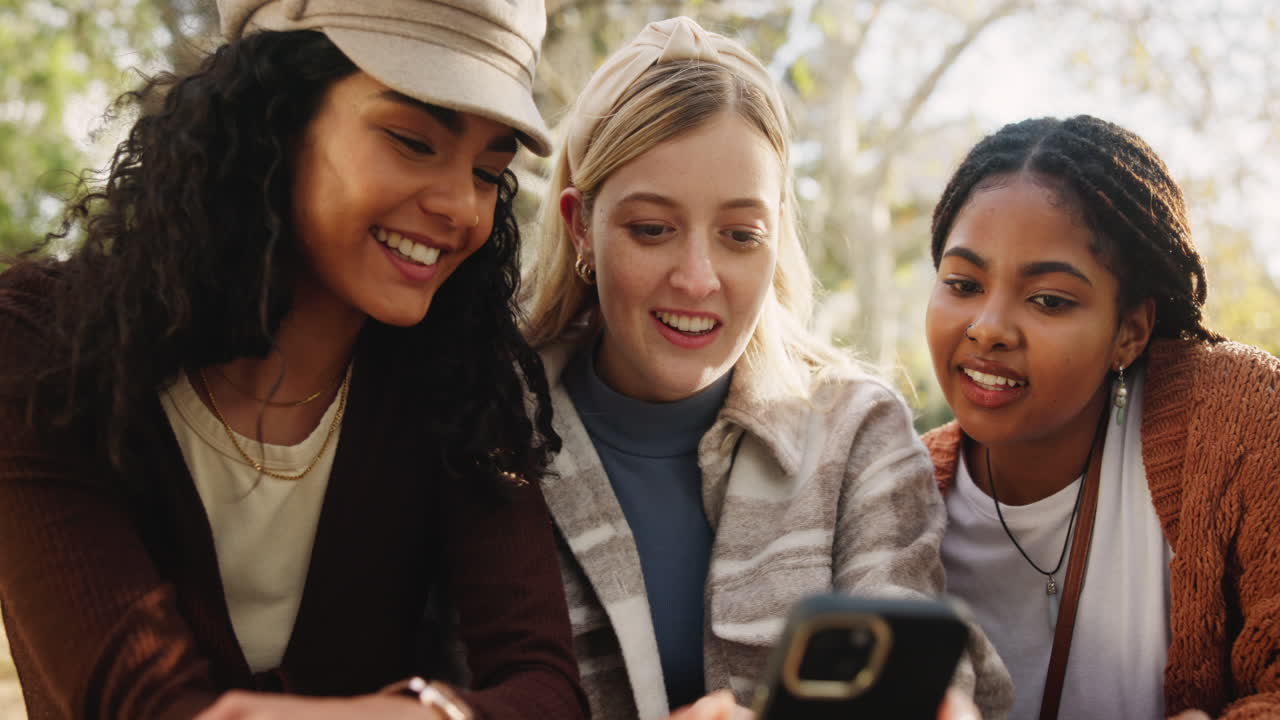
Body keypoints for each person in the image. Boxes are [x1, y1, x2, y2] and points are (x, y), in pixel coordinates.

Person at [0, 2, 589, 719]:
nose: (464, 208)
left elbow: (546, 688)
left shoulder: (461, 384)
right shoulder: (38, 346)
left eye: (491, 172)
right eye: (413, 141)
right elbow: (141, 703)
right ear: (273, 117)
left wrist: (426, 715)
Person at [523, 16, 1012, 720]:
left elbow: (913, 677)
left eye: (739, 236)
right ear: (580, 227)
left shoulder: (855, 432)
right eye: (652, 229)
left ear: (776, 237)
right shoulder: (490, 425)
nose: (697, 279)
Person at [922, 115, 1280, 720]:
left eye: (1049, 300)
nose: (987, 327)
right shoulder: (893, 495)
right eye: (963, 284)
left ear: (1130, 332)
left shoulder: (1240, 420)